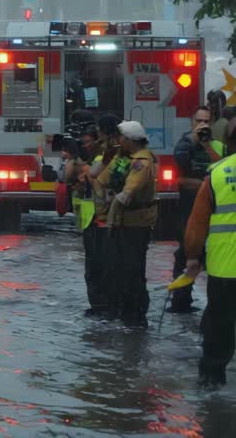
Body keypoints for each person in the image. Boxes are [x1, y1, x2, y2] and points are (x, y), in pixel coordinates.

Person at [183, 120, 236, 388]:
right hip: (223, 265)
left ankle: (211, 378)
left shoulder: (216, 175)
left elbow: (197, 223)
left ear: (228, 143)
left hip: (224, 266)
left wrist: (193, 257)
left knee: (220, 323)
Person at [171, 105, 225, 313]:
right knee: (185, 253)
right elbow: (181, 167)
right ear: (192, 122)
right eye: (198, 121)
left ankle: (215, 303)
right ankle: (181, 301)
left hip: (214, 212)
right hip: (189, 209)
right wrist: (195, 140)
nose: (202, 125)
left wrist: (207, 146)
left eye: (206, 121)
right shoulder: (185, 143)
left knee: (211, 256)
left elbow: (224, 168)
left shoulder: (218, 146)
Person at [105, 120, 157, 327]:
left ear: (129, 139)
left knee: (133, 271)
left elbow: (127, 193)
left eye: (120, 138)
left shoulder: (141, 162)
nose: (118, 142)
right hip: (125, 223)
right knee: (123, 269)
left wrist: (110, 211)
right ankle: (127, 312)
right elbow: (104, 178)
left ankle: (136, 315)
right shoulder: (128, 158)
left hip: (136, 224)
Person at [63, 137, 107, 315]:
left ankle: (102, 308)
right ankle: (101, 307)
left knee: (97, 268)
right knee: (96, 268)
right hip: (94, 221)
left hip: (99, 221)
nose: (86, 145)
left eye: (88, 141)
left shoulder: (98, 163)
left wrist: (76, 163)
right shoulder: (97, 161)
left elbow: (70, 177)